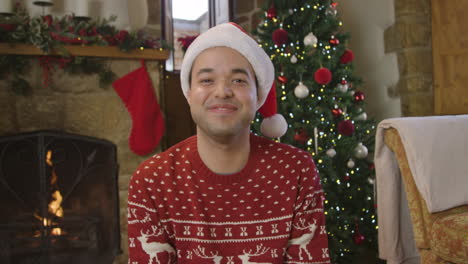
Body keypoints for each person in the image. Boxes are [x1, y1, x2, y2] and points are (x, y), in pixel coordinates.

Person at [127, 22, 330, 264]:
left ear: (258, 96)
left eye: (238, 80)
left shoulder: (297, 170)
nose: (222, 91)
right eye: (207, 80)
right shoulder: (151, 179)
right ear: (189, 93)